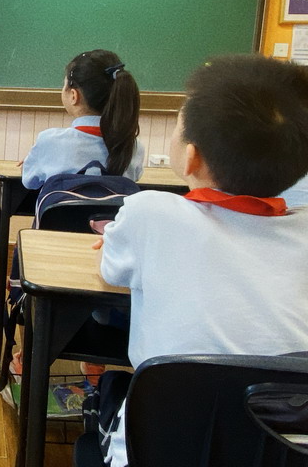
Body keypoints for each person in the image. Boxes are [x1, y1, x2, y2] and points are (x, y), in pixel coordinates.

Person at [94, 55, 308, 466]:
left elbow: (112, 269)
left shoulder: (149, 211)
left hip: (159, 450)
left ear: (191, 156)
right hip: (281, 453)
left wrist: (115, 241)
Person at [21, 50, 145, 190]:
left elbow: (29, 181)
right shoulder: (134, 147)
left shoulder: (49, 141)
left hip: (64, 206)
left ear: (74, 96)